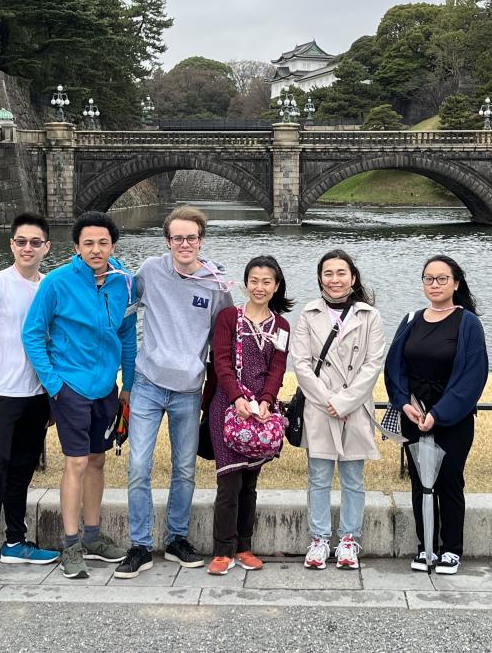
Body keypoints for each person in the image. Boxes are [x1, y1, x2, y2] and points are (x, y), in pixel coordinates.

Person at [115, 206, 232, 579]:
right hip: (148, 384)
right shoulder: (150, 270)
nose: (184, 244)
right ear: (167, 241)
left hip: (188, 389)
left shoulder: (216, 283)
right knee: (138, 466)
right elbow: (122, 304)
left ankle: (177, 538)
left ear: (202, 240)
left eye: (191, 238)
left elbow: (223, 337)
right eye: (177, 238)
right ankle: (140, 544)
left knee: (184, 469)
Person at [23, 211, 135, 579]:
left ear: (113, 246)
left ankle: (92, 536)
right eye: (88, 243)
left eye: (103, 242)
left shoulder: (124, 283)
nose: (96, 249)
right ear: (76, 247)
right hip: (70, 387)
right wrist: (55, 385)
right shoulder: (56, 282)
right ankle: (70, 544)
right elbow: (32, 334)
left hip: (106, 387)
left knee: (98, 461)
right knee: (75, 463)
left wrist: (128, 385)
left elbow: (127, 336)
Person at [0, 213, 60, 586]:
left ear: (46, 247)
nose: (28, 248)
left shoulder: (49, 286)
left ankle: (15, 541)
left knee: (21, 472)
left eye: (35, 242)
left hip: (36, 396)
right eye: (21, 241)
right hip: (0, 396)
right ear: (12, 245)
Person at [384, 255, 488, 574]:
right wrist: (403, 403)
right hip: (414, 412)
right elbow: (395, 367)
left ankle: (451, 548)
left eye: (442, 279)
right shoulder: (412, 318)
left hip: (451, 417)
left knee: (449, 481)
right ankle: (425, 546)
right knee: (420, 482)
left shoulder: (467, 322)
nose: (435, 284)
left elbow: (473, 375)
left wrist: (440, 414)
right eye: (429, 278)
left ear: (456, 283)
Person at [292, 248, 384, 571]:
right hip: (320, 407)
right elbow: (301, 364)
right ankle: (318, 538)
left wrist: (344, 402)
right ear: (320, 278)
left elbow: (372, 366)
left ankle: (349, 538)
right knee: (318, 476)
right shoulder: (308, 314)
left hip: (355, 409)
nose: (335, 279)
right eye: (328, 273)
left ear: (353, 277)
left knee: (353, 477)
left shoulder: (369, 317)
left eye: (341, 273)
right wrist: (328, 401)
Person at [204, 256, 293, 575]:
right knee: (228, 481)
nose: (260, 287)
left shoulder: (281, 326)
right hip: (226, 407)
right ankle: (222, 550)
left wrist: (267, 400)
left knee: (250, 483)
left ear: (276, 286)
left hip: (261, 412)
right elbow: (222, 362)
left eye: (267, 281)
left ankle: (244, 546)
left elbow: (278, 367)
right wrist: (238, 396)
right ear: (245, 284)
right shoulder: (229, 317)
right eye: (254, 280)